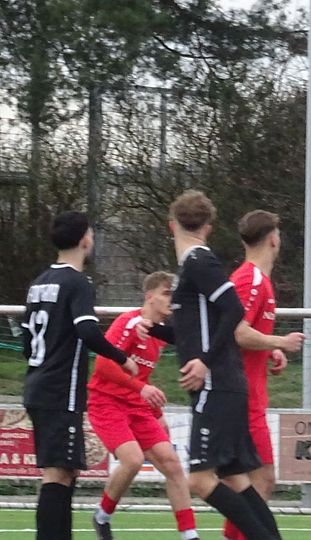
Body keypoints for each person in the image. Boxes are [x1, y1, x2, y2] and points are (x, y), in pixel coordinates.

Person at [167, 190, 281, 540]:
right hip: (225, 384)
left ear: (171, 226)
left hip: (216, 385)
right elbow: (198, 329)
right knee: (237, 478)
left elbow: (232, 311)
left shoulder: (199, 261)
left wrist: (204, 361)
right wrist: (153, 327)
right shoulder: (193, 265)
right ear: (209, 227)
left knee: (200, 480)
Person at [21, 211, 138, 540]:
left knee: (65, 472)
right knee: (58, 474)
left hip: (37, 385)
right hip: (60, 391)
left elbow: (27, 342)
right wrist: (122, 358)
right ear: (85, 239)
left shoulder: (39, 282)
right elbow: (87, 330)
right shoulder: (77, 282)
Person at [86, 271, 199, 540]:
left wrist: (156, 413)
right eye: (166, 293)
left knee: (172, 464)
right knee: (133, 460)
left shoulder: (158, 333)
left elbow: (142, 377)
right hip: (106, 401)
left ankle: (189, 534)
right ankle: (102, 515)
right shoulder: (129, 322)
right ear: (149, 296)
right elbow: (103, 365)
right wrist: (141, 388)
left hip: (136, 406)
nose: (171, 300)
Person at [222, 210, 305, 540]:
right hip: (242, 400)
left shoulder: (257, 280)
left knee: (248, 483)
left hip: (248, 397)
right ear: (273, 239)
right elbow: (236, 331)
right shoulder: (251, 280)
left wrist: (269, 349)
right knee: (260, 480)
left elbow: (242, 333)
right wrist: (279, 341)